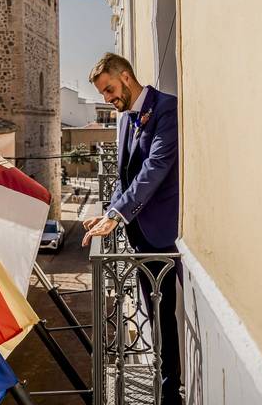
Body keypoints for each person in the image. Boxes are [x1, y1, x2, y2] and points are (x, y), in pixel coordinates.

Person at [82, 52, 182, 405]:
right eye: (103, 94)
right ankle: (162, 378)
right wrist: (109, 211)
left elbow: (155, 168)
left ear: (125, 76)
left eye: (109, 90)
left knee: (166, 313)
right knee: (154, 314)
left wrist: (118, 215)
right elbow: (124, 176)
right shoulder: (124, 119)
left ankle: (171, 391)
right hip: (138, 233)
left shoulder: (167, 109)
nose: (108, 99)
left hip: (164, 234)